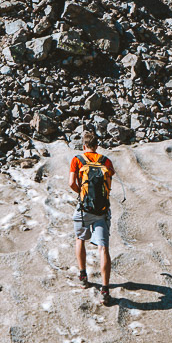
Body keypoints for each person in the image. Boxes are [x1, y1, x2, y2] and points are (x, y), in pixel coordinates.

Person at [70, 128, 114, 305]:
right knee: (103, 248)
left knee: (80, 239)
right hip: (101, 210)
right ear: (97, 146)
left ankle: (83, 276)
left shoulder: (77, 160)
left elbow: (71, 183)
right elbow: (109, 184)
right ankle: (105, 289)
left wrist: (82, 194)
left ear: (84, 146)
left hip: (84, 209)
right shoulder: (106, 161)